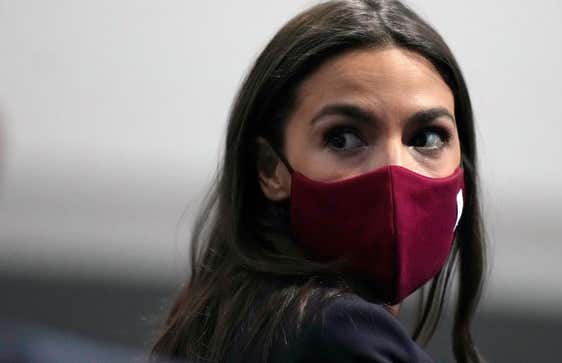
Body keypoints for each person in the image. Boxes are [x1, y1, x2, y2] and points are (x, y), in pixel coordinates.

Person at [150, 0, 486, 362]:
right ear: (269, 168)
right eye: (343, 138)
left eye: (426, 139)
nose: (394, 171)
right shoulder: (335, 334)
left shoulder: (241, 317)